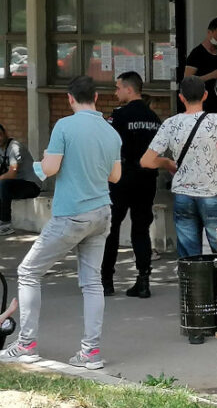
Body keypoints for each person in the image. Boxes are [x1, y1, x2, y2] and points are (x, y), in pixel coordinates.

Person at [0, 76, 121, 369]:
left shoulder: (64, 126)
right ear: (95, 97)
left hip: (71, 213)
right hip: (102, 212)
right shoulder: (110, 131)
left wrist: (42, 163)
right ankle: (90, 353)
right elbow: (115, 176)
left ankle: (27, 344)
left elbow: (51, 168)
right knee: (92, 283)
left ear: (69, 98)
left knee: (28, 271)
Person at [140, 76, 217, 344]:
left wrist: (169, 163)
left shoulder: (171, 124)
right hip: (212, 196)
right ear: (206, 96)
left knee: (189, 258)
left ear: (182, 98)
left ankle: (196, 326)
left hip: (183, 197)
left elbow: (146, 160)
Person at [101, 71, 162, 299]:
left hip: (121, 178)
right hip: (147, 179)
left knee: (112, 228)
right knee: (141, 229)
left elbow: (107, 146)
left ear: (129, 89)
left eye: (118, 88)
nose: (116, 92)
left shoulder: (118, 116)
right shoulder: (154, 118)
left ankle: (106, 281)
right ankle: (143, 280)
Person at [183, 17, 217, 113]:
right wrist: (211, 76)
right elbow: (187, 80)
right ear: (209, 32)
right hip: (202, 103)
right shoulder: (197, 54)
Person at [0, 124, 39, 236]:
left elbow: (12, 173)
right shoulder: (1, 150)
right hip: (14, 186)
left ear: (5, 134)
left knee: (3, 184)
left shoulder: (14, 147)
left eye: (0, 135)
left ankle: (5, 224)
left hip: (31, 186)